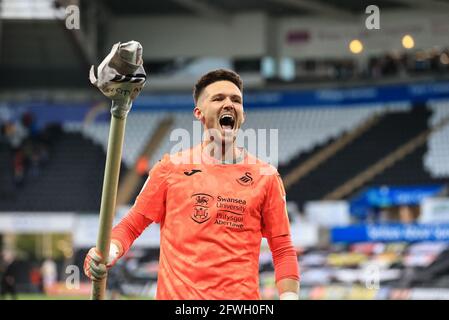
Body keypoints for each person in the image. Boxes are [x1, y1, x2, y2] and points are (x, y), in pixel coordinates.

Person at [84, 69, 300, 300]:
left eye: (236, 100)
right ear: (199, 112)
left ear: (243, 114)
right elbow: (131, 225)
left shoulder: (266, 177)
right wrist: (108, 252)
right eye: (218, 98)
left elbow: (282, 248)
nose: (229, 104)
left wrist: (290, 297)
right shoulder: (170, 169)